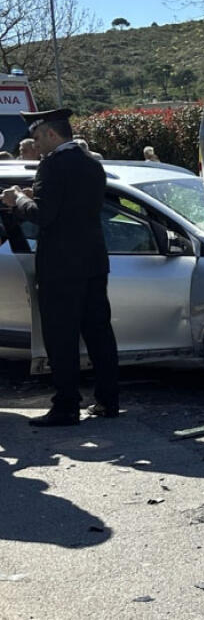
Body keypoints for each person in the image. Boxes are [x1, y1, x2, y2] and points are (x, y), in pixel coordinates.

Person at [1, 109, 120, 426]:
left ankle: (66, 406)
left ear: (52, 135)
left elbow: (44, 216)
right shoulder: (92, 164)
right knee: (99, 334)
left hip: (60, 268)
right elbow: (72, 208)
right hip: (93, 262)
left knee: (61, 337)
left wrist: (17, 199)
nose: (35, 144)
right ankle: (108, 401)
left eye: (38, 138)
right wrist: (33, 198)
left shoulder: (53, 165)